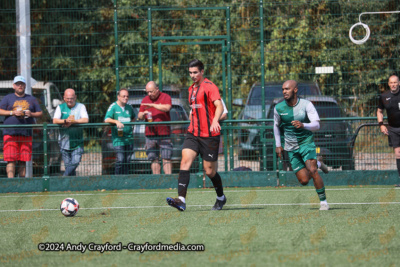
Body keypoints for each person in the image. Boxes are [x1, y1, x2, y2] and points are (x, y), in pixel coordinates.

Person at [166, 59, 227, 211]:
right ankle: (181, 200)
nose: (192, 75)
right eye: (190, 73)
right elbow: (195, 110)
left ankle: (221, 197)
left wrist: (214, 121)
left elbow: (219, 106)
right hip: (193, 133)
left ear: (202, 72)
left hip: (210, 136)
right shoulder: (190, 90)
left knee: (209, 171)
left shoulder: (210, 87)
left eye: (195, 72)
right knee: (185, 161)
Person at [274, 80, 330, 210]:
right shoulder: (278, 108)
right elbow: (276, 126)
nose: (284, 91)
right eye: (283, 89)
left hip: (306, 143)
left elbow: (317, 125)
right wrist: (278, 145)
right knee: (304, 180)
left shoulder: (307, 105)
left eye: (287, 89)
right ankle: (319, 163)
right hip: (290, 147)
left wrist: (304, 125)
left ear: (295, 90)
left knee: (312, 170)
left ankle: (323, 202)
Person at [0, 75, 43, 178]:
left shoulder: (32, 99)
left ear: (25, 85)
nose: (20, 86)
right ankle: (11, 182)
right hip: (10, 133)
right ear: (14, 86)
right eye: (18, 84)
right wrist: (12, 113)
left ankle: (21, 183)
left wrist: (31, 114)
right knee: (11, 160)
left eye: (22, 84)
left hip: (26, 133)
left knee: (23, 160)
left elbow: (40, 113)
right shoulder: (7, 98)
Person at [137, 81, 173, 174]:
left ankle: (169, 182)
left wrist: (152, 105)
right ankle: (157, 182)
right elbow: (139, 115)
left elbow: (167, 108)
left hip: (164, 134)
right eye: (147, 92)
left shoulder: (166, 97)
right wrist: (142, 114)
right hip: (150, 134)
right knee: (153, 159)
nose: (149, 94)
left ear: (157, 89)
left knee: (166, 158)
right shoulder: (145, 99)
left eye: (151, 91)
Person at [53, 89, 89, 176]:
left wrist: (73, 122)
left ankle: (64, 177)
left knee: (75, 162)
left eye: (72, 98)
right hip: (64, 141)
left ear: (75, 97)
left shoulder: (81, 106)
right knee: (68, 166)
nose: (70, 100)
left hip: (77, 142)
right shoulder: (60, 107)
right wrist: (65, 121)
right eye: (68, 98)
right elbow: (55, 120)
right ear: (64, 98)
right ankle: (71, 187)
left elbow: (85, 119)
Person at [104, 88, 135, 175]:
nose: (125, 98)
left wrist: (130, 127)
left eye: (127, 96)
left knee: (127, 161)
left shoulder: (129, 107)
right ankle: (117, 178)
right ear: (118, 97)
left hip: (129, 138)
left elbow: (133, 118)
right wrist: (116, 121)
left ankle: (125, 180)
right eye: (123, 96)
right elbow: (107, 119)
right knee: (120, 159)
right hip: (118, 139)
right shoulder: (113, 107)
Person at [377, 74, 400, 187]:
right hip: (394, 129)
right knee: (398, 154)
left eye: (395, 82)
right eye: (391, 82)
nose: (393, 84)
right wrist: (381, 124)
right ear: (388, 84)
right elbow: (379, 111)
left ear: (399, 83)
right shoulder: (384, 96)